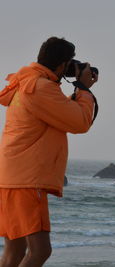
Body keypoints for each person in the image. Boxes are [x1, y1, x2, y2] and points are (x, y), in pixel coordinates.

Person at [0, 37, 98, 267]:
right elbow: (80, 123)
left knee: (14, 251)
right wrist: (83, 90)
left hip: (10, 177)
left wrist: (77, 93)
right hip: (26, 180)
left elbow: (62, 114)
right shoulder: (40, 88)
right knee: (40, 251)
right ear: (63, 64)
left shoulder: (27, 82)